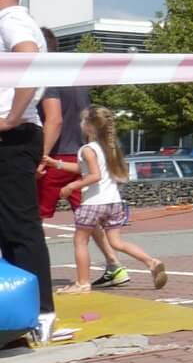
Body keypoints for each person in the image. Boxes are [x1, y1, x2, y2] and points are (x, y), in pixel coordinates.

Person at [34, 30, 128, 287]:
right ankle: (114, 264)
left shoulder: (46, 76)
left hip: (56, 157)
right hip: (79, 157)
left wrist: (41, 158)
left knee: (31, 216)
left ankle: (30, 269)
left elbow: (54, 120)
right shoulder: (75, 78)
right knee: (88, 216)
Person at [0, 0, 57, 344]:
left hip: (13, 135)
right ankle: (22, 313)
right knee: (12, 227)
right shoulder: (16, 20)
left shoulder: (10, 20)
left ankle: (40, 314)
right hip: (17, 134)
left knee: (20, 228)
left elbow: (29, 58)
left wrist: (11, 117)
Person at [58, 108, 167, 292]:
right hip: (113, 202)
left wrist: (71, 187)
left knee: (80, 241)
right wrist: (58, 164)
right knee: (116, 242)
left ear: (90, 127)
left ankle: (82, 283)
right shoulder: (107, 147)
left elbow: (94, 175)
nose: (80, 124)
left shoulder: (87, 149)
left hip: (93, 203)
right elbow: (83, 168)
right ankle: (151, 262)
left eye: (83, 121)